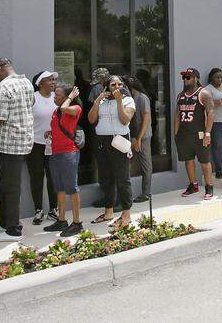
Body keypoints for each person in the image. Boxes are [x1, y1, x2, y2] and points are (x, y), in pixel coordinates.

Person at [0, 57, 34, 242]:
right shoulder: (26, 82)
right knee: (6, 183)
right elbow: (31, 104)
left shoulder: (3, 87)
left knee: (10, 186)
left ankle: (13, 230)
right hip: (22, 140)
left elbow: (0, 118)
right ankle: (4, 223)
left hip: (10, 143)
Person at [88, 74, 135, 228]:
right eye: (113, 85)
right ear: (107, 87)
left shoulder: (128, 100)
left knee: (122, 178)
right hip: (102, 141)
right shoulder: (102, 101)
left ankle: (126, 213)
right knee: (106, 177)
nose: (117, 87)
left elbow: (124, 120)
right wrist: (97, 100)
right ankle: (108, 211)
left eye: (119, 84)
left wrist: (119, 101)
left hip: (119, 140)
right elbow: (91, 119)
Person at [43, 84, 84, 237]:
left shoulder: (75, 109)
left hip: (69, 153)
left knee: (72, 188)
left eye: (58, 95)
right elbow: (60, 124)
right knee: (59, 187)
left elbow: (65, 109)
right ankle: (61, 220)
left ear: (67, 97)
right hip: (55, 152)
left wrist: (71, 98)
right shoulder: (56, 111)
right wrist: (51, 132)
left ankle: (77, 223)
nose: (55, 97)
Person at [174, 68, 215, 200]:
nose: (185, 79)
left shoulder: (204, 94)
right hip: (184, 134)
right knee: (188, 160)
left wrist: (208, 133)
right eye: (184, 77)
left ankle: (209, 187)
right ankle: (193, 185)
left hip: (200, 134)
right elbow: (177, 115)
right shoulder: (180, 95)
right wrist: (176, 133)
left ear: (196, 78)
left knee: (204, 161)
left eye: (188, 77)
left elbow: (211, 113)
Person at [27, 71, 59, 225]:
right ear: (40, 83)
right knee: (37, 177)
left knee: (53, 177)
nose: (53, 82)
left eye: (54, 80)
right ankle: (38, 210)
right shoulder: (33, 97)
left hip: (53, 144)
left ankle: (53, 209)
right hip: (35, 144)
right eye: (49, 80)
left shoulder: (56, 98)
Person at [127, 76, 154, 201]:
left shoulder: (142, 98)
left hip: (143, 137)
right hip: (132, 137)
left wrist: (138, 138)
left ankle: (146, 193)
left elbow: (146, 119)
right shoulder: (129, 99)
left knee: (146, 165)